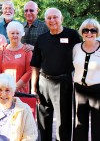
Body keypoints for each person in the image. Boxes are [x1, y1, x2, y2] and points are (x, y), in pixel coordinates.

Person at [30, 8, 81, 141]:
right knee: (43, 119)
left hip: (63, 83)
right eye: (49, 18)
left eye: (55, 17)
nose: (52, 20)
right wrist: (33, 88)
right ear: (45, 20)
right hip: (43, 83)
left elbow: (80, 57)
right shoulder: (41, 39)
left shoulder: (72, 35)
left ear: (61, 18)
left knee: (63, 121)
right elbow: (35, 65)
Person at [73, 19, 100, 141]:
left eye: (93, 30)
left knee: (98, 125)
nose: (89, 33)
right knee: (80, 124)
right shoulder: (76, 48)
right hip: (80, 91)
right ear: (82, 32)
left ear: (97, 32)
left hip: (97, 91)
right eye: (86, 30)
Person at [0, 21, 32, 93]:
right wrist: (4, 85)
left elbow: (29, 71)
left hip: (21, 90)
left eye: (17, 33)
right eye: (12, 33)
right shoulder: (2, 49)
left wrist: (15, 87)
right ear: (8, 34)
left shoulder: (27, 50)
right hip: (4, 89)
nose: (15, 35)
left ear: (21, 34)